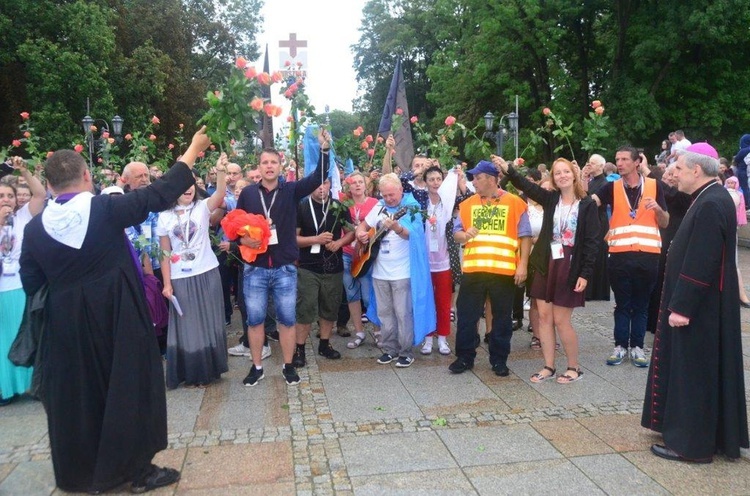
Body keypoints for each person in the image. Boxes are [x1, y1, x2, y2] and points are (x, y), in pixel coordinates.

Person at [19, 127, 211, 493]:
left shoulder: (35, 229)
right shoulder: (104, 208)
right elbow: (156, 194)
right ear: (87, 176)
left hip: (65, 324)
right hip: (117, 315)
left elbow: (32, 282)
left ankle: (85, 474)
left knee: (80, 394)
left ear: (49, 182)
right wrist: (192, 150)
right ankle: (137, 472)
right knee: (128, 387)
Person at [642, 143, 749, 463]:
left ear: (696, 171)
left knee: (694, 374)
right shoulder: (708, 198)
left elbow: (702, 260)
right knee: (696, 371)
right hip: (704, 306)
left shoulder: (711, 203)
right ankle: (704, 436)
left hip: (698, 309)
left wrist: (682, 307)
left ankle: (690, 445)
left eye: (679, 169)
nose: (675, 174)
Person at [235, 130, 332, 387]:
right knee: (254, 321)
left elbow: (319, 177)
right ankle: (256, 367)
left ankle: (288, 366)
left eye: (273, 162)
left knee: (287, 320)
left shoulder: (291, 190)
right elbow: (233, 227)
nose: (269, 166)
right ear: (259, 167)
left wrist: (324, 150)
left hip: (284, 268)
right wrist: (241, 241)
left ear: (281, 166)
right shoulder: (248, 195)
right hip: (255, 268)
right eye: (264, 162)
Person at [497, 157, 599, 383]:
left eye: (566, 171)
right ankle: (548, 366)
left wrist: (585, 273)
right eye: (557, 173)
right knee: (543, 318)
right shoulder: (551, 199)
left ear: (574, 174)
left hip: (570, 265)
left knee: (561, 320)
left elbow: (593, 242)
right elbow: (528, 186)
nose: (562, 175)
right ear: (553, 178)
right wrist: (509, 170)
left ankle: (573, 367)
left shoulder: (587, 204)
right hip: (546, 261)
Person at [449, 160, 531, 376]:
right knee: (467, 316)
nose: (473, 181)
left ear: (493, 179)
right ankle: (465, 357)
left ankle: (499, 359)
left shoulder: (514, 203)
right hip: (474, 271)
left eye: (477, 177)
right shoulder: (467, 205)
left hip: (503, 272)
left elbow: (525, 236)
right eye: (473, 178)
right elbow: (456, 233)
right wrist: (463, 235)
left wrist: (522, 265)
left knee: (502, 318)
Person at [592, 147, 669, 368]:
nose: (620, 163)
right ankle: (619, 346)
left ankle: (637, 347)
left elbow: (665, 222)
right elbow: (590, 202)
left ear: (637, 162)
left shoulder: (654, 186)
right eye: (617, 159)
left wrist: (658, 210)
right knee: (622, 304)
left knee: (642, 304)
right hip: (619, 256)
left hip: (648, 256)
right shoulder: (612, 186)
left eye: (625, 159)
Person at [158, 153, 229, 389]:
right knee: (188, 325)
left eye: (191, 183)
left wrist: (220, 172)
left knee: (209, 321)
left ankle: (210, 369)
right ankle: (191, 371)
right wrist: (167, 283)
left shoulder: (201, 207)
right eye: (182, 184)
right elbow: (165, 253)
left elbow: (219, 195)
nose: (187, 188)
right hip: (180, 277)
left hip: (207, 272)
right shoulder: (164, 217)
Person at [355, 173, 434, 367]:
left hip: (402, 272)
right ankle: (389, 349)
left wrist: (397, 227)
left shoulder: (411, 207)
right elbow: (363, 225)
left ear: (401, 189)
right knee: (385, 313)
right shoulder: (379, 206)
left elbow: (413, 235)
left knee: (403, 313)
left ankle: (406, 351)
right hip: (380, 271)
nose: (389, 198)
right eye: (385, 195)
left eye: (392, 194)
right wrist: (361, 233)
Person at [292, 179, 354, 367]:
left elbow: (351, 232)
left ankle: (325, 345)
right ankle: (299, 349)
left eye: (325, 183)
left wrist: (340, 243)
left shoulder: (339, 207)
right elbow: (293, 239)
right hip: (308, 266)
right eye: (317, 183)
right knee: (305, 309)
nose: (321, 187)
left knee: (330, 307)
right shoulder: (301, 206)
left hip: (333, 266)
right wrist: (315, 239)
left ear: (330, 186)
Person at [0, 157, 45, 406]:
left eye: (9, 195)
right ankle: (6, 389)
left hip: (19, 288)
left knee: (26, 335)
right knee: (3, 340)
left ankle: (31, 384)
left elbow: (39, 194)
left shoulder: (22, 218)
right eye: (1, 196)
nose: (6, 199)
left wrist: (25, 172)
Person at [341, 172, 381, 349]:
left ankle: (378, 331)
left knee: (368, 295)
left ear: (366, 185)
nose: (357, 185)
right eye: (353, 183)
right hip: (348, 253)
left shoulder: (374, 203)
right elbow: (341, 225)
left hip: (365, 255)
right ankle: (359, 332)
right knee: (351, 294)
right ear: (348, 187)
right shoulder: (344, 205)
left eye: (360, 182)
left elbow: (378, 226)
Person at [581, 154, 610, 301]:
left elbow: (592, 202)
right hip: (590, 219)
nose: (589, 165)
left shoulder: (604, 183)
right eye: (589, 163)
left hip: (599, 220)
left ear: (600, 166)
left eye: (592, 163)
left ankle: (597, 290)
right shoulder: (592, 181)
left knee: (597, 253)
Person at [724, 176, 750, 306]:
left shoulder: (739, 194)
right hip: (726, 226)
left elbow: (741, 212)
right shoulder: (723, 194)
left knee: (733, 262)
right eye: (728, 182)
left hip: (732, 227)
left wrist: (739, 223)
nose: (729, 184)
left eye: (732, 182)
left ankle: (741, 295)